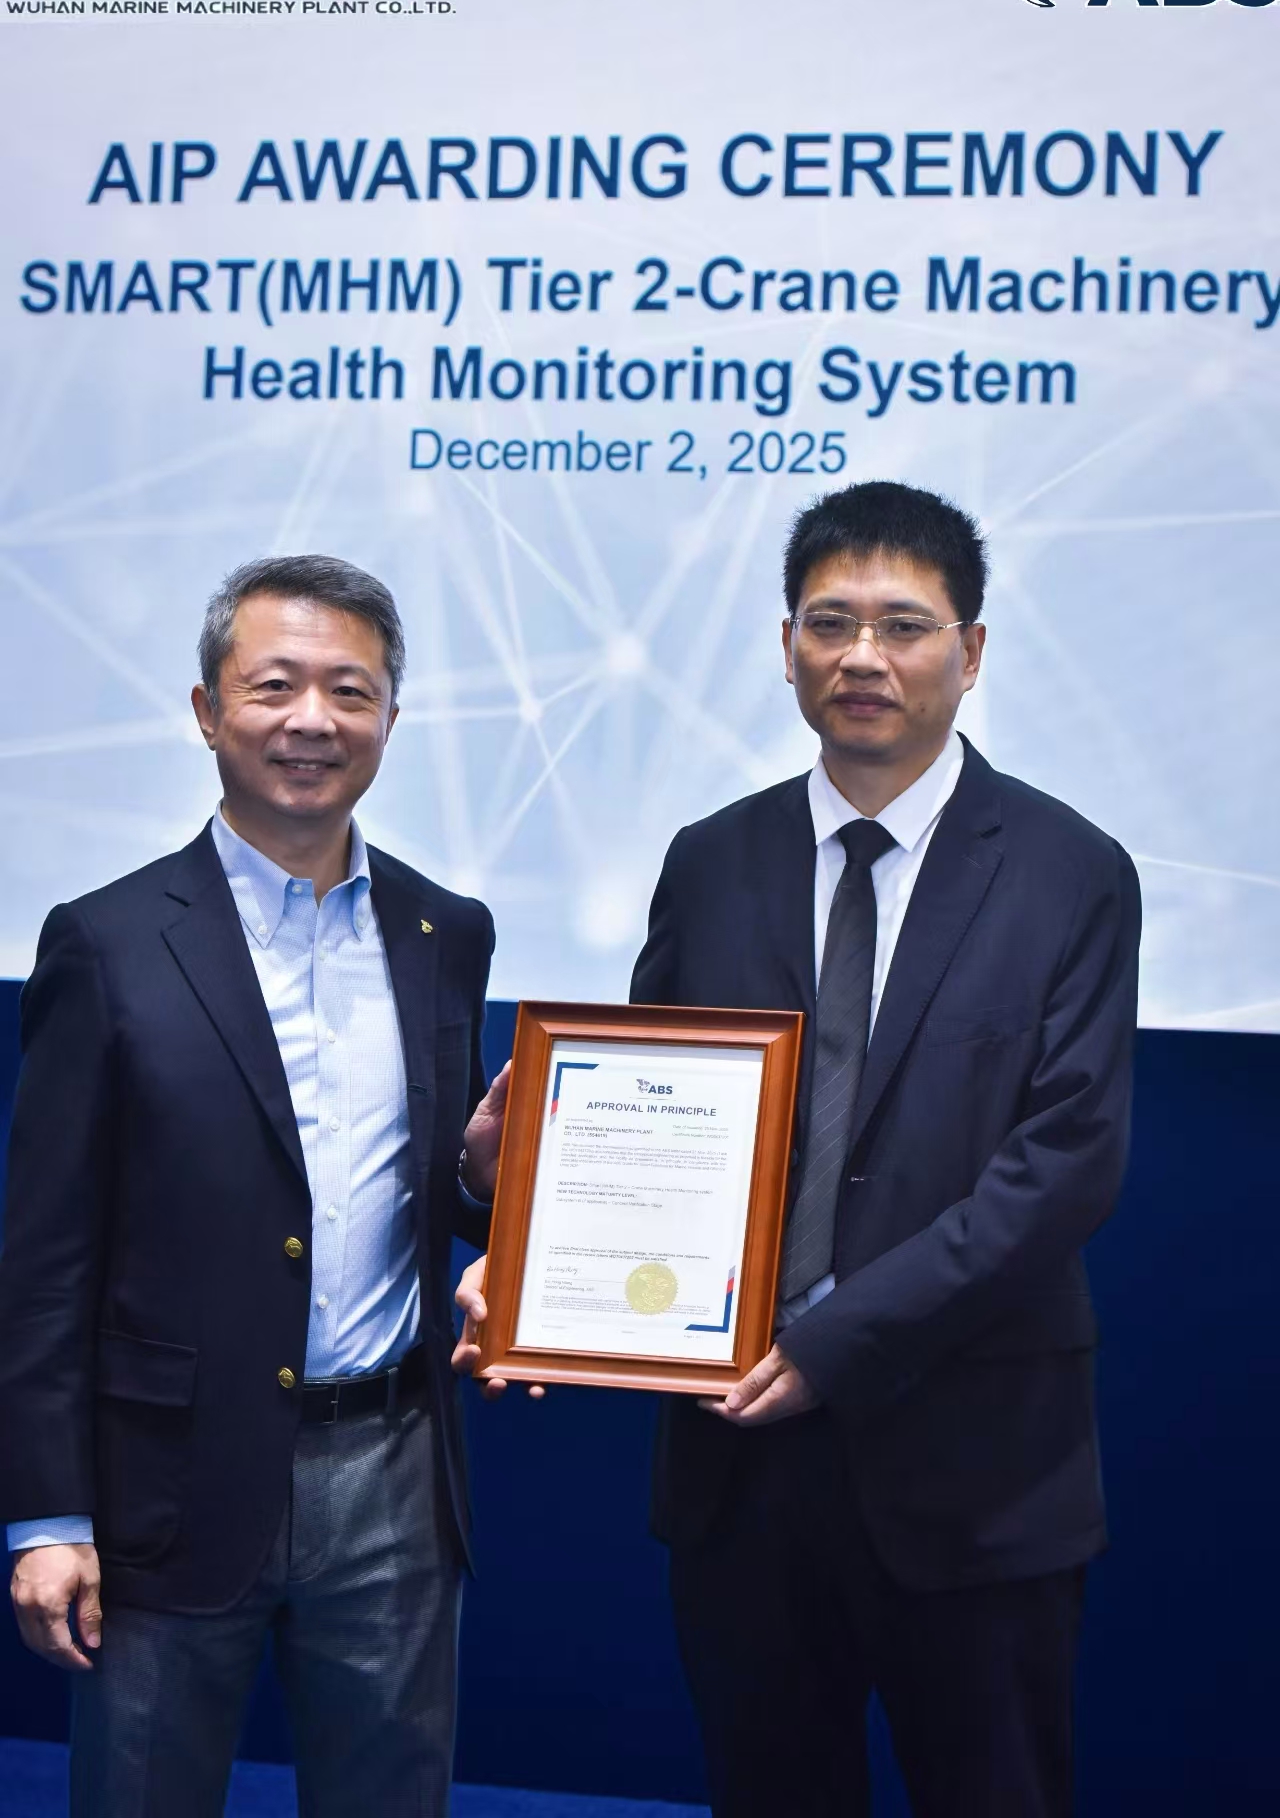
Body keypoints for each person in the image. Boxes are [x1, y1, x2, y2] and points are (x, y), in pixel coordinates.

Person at [456, 481, 1141, 1818]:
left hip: (975, 1461)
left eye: (902, 625)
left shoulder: (1069, 869)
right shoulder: (712, 860)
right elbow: (649, 1123)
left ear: (971, 651)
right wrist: (524, 1233)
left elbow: (1065, 1166)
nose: (861, 655)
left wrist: (835, 1343)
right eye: (829, 623)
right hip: (740, 1470)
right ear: (786, 647)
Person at [0, 556, 506, 1818]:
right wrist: (47, 1518)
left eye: (350, 690)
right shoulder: (108, 943)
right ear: (206, 709)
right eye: (274, 686)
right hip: (166, 1482)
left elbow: (442, 1193)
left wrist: (484, 1182)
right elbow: (45, 1264)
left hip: (393, 1473)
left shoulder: (445, 932)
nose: (312, 720)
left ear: (391, 716)